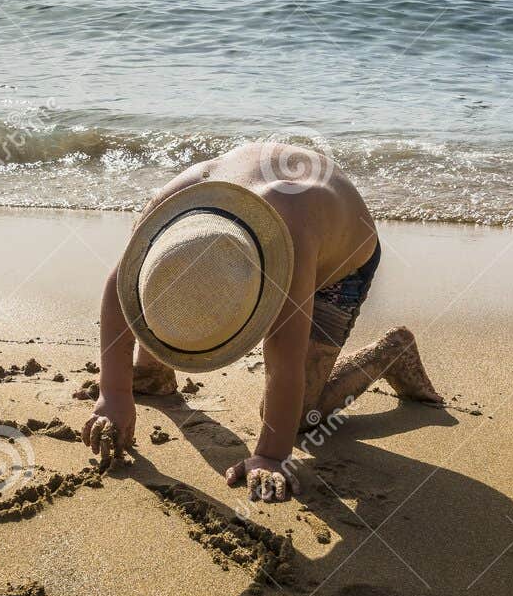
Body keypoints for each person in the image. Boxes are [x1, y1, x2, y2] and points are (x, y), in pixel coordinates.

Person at [78, 142, 441, 502]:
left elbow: (284, 361)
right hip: (265, 200)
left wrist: (271, 455)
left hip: (340, 258)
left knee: (298, 417)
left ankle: (391, 353)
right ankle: (154, 372)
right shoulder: (178, 203)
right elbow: (120, 285)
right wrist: (114, 393)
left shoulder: (292, 249)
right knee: (178, 288)